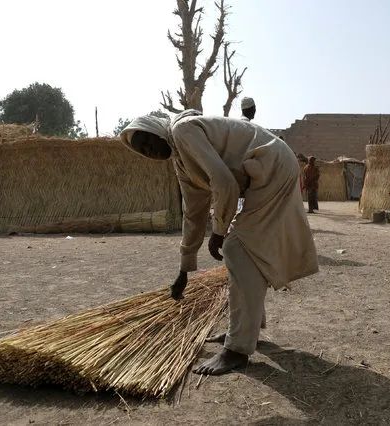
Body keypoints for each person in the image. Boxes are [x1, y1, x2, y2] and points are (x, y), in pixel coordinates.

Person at [121, 110, 319, 375]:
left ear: (157, 130)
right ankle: (245, 330)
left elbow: (224, 182)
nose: (149, 150)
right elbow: (192, 212)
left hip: (272, 169)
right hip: (266, 172)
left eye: (148, 141)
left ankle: (237, 349)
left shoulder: (183, 130)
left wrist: (219, 230)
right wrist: (184, 268)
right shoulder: (181, 161)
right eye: (143, 151)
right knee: (243, 250)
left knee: (237, 248)